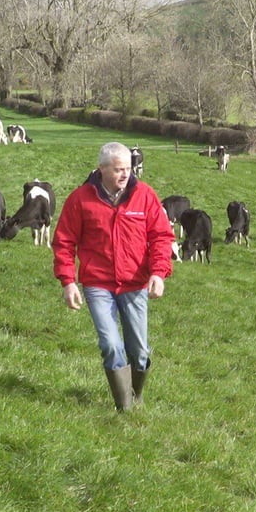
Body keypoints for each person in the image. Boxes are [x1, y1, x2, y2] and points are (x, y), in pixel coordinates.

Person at [52, 142, 176, 410]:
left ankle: (136, 393)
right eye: (119, 170)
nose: (126, 175)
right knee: (110, 344)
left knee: (140, 351)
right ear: (102, 169)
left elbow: (162, 237)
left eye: (128, 169)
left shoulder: (145, 195)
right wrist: (68, 281)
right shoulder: (80, 199)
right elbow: (63, 241)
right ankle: (125, 409)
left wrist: (159, 273)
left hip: (135, 283)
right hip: (97, 283)